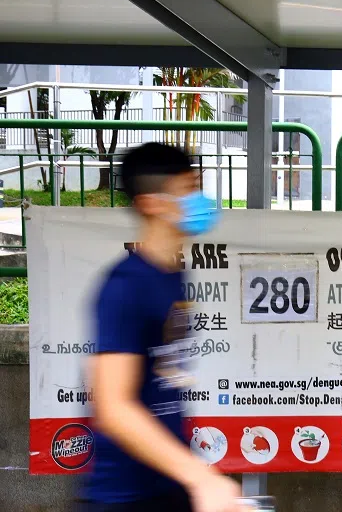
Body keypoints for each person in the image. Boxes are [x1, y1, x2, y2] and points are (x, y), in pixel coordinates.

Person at [75, 143, 247, 512]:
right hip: (124, 496)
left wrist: (194, 475)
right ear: (151, 203)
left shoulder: (174, 274)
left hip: (167, 485)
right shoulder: (124, 286)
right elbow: (113, 406)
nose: (199, 200)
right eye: (187, 190)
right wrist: (199, 477)